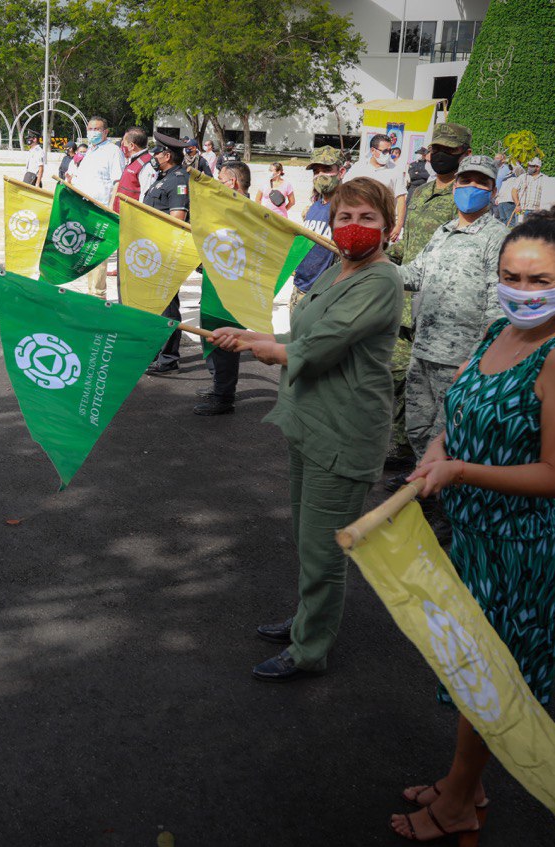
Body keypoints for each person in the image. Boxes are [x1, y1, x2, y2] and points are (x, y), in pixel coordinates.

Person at [393, 202, 555, 843]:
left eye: (540, 281)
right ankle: (464, 784)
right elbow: (458, 413)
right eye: (512, 277)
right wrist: (434, 453)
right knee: (467, 674)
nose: (522, 292)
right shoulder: (493, 333)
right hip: (471, 541)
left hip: (515, 553)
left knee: (489, 686)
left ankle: (455, 807)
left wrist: (460, 474)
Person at [211, 177, 402, 682]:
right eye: (345, 217)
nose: (354, 227)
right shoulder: (338, 270)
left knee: (323, 550)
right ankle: (305, 619)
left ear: (388, 225)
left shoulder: (381, 280)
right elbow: (302, 333)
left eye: (367, 218)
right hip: (310, 421)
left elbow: (319, 347)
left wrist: (263, 349)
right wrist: (253, 334)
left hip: (345, 431)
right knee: (307, 536)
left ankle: (310, 649)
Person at [399, 155, 508, 465]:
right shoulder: (442, 233)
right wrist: (372, 267)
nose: (472, 186)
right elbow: (415, 274)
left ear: (492, 191)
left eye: (481, 182)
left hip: (461, 360)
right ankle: (427, 487)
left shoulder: (497, 238)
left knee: (448, 435)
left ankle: (445, 500)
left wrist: (480, 358)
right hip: (423, 352)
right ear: (456, 184)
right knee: (418, 429)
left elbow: (496, 304)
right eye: (466, 180)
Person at [382, 122, 471, 484]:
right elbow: (410, 246)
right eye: (435, 148)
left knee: (436, 391)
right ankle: (402, 446)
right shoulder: (419, 194)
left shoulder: (466, 198)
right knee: (397, 377)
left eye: (447, 150)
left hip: (440, 305)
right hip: (406, 302)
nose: (438, 156)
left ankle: (429, 465)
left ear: (464, 155)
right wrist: (384, 250)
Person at [193, 160, 253, 415]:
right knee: (212, 336)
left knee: (225, 340)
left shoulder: (246, 211)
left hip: (229, 288)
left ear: (233, 183)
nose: (215, 183)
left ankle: (223, 397)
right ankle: (219, 385)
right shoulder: (230, 207)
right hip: (216, 282)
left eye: (220, 179)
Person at [143, 133, 198, 376]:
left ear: (167, 155)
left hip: (164, 250)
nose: (153, 156)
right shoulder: (162, 178)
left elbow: (177, 220)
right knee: (152, 305)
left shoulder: (178, 180)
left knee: (166, 306)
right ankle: (154, 352)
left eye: (157, 152)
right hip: (150, 249)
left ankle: (168, 357)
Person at [70, 116, 126, 299]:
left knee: (97, 254)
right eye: (90, 129)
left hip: (101, 211)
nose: (92, 132)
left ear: (106, 132)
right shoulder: (90, 152)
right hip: (85, 209)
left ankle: (98, 297)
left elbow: (118, 181)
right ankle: (90, 292)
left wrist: (110, 209)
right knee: (87, 255)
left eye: (97, 129)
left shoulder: (112, 151)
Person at [289, 146, 344, 308]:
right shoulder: (314, 207)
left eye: (327, 170)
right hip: (300, 289)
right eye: (316, 171)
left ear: (341, 172)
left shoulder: (348, 208)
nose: (320, 175)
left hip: (324, 296)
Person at [345, 134, 407, 242]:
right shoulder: (359, 167)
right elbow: (344, 191)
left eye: (390, 151)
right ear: (373, 151)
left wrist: (398, 226)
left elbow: (401, 199)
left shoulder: (395, 171)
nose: (388, 154)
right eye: (384, 151)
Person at [113, 126, 151, 212]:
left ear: (131, 146)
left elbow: (145, 195)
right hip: (122, 213)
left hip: (132, 216)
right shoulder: (132, 160)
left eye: (124, 143)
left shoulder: (146, 164)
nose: (122, 146)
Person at [511, 157, 545, 224]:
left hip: (536, 212)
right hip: (522, 210)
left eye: (531, 166)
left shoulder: (545, 179)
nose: (529, 167)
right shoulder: (522, 177)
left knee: (534, 232)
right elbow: (514, 191)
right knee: (519, 231)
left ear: (538, 167)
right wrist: (517, 205)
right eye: (528, 165)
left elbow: (546, 195)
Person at [493, 153, 517, 224]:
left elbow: (512, 182)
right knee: (497, 219)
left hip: (504, 197)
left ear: (503, 160)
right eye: (495, 158)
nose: (495, 160)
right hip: (493, 197)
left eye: (497, 158)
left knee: (507, 219)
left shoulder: (506, 169)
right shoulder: (493, 169)